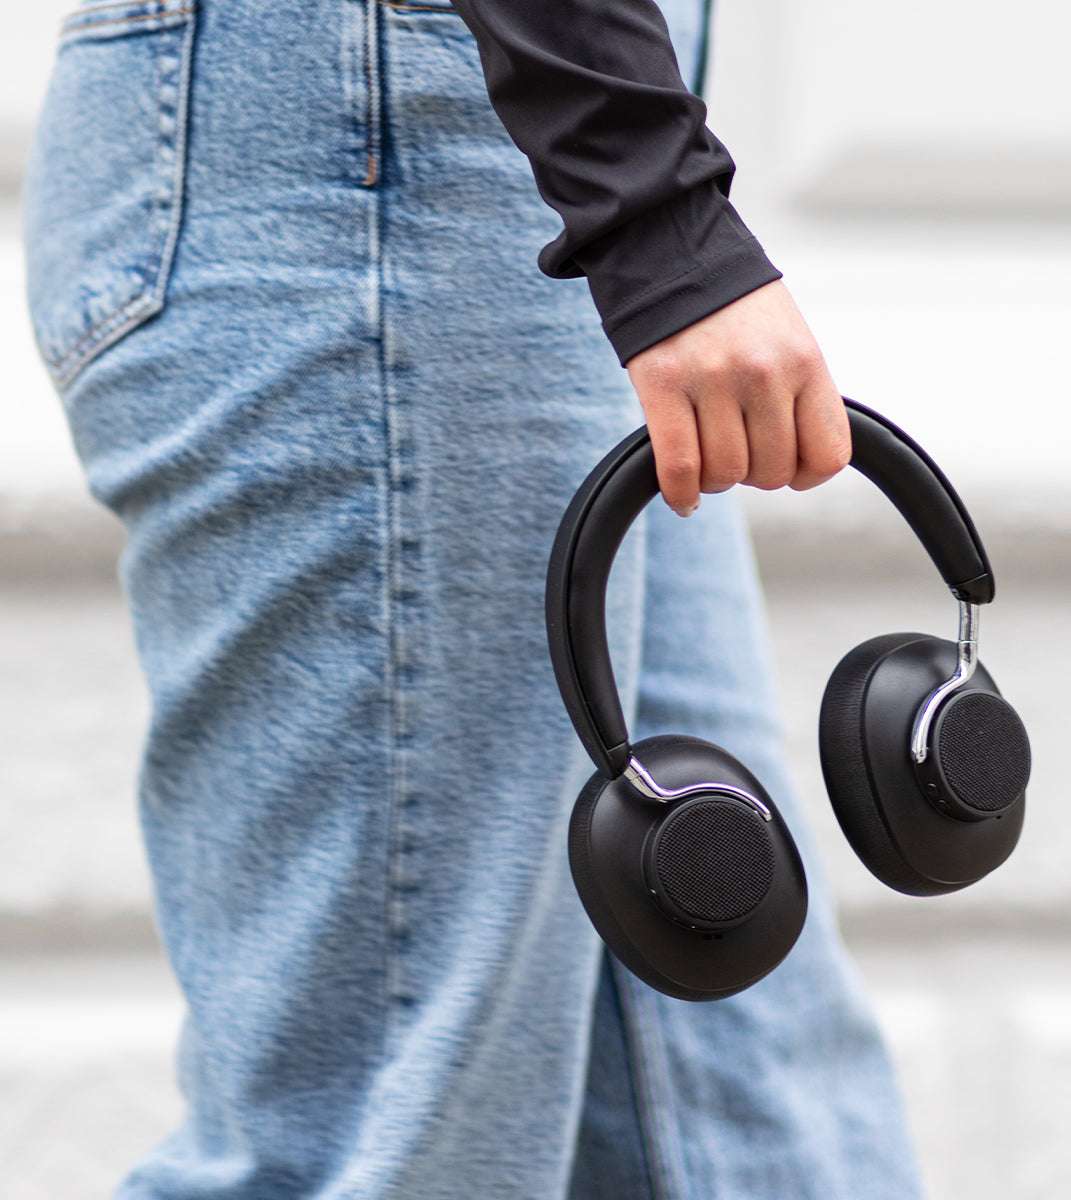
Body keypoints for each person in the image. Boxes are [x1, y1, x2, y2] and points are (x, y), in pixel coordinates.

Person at [23, 0, 924, 1195]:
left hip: (509, 144)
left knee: (750, 1117)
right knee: (392, 1142)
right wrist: (655, 210)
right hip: (388, 153)